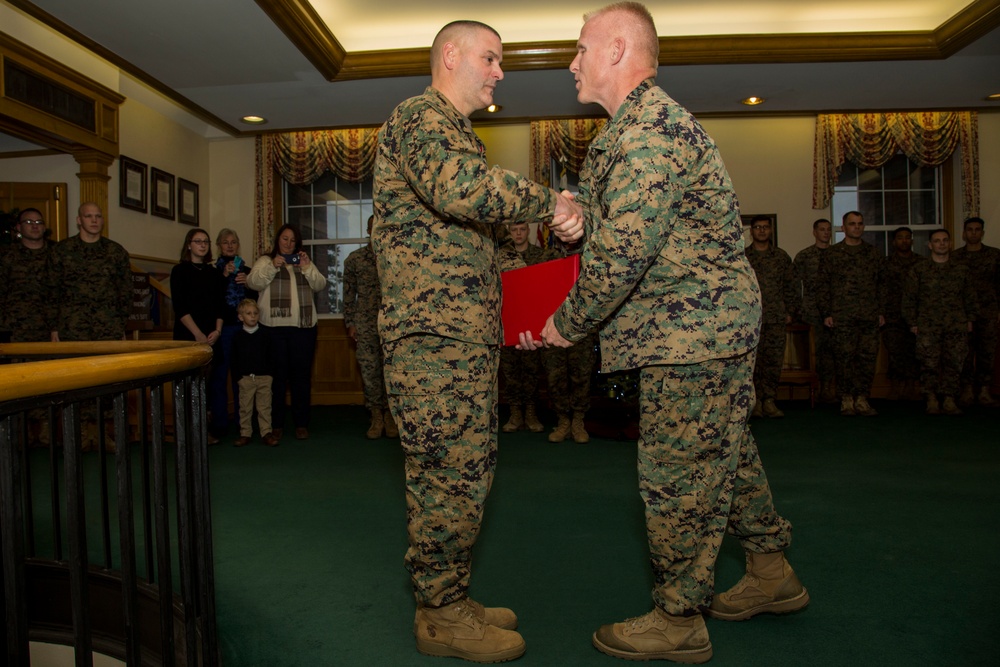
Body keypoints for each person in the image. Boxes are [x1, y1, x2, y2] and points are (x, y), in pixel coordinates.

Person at [521, 4, 806, 662]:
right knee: (723, 450)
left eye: (581, 48)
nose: (572, 62)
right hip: (692, 324)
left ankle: (680, 616)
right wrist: (573, 216)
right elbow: (605, 217)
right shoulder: (625, 133)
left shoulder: (648, 130)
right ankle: (770, 571)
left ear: (618, 50)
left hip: (693, 329)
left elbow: (622, 252)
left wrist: (565, 322)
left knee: (676, 472)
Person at [372, 18, 583, 663]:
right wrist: (549, 204)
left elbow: (473, 246)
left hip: (459, 338)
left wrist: (521, 305)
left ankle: (451, 595)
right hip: (430, 341)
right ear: (451, 55)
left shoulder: (454, 132)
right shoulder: (419, 117)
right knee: (446, 475)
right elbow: (462, 190)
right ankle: (438, 616)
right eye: (490, 59)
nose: (499, 73)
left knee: (468, 472)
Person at [246, 224, 327, 441]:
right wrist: (273, 266)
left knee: (301, 378)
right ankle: (277, 424)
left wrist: (307, 267)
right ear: (278, 241)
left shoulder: (303, 262)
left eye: (292, 240)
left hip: (303, 329)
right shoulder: (265, 260)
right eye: (285, 239)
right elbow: (252, 282)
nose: (288, 244)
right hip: (273, 330)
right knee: (277, 380)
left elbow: (320, 284)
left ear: (297, 243)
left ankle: (301, 424)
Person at [903, 229, 977, 415]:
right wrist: (912, 321)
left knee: (954, 362)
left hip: (956, 324)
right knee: (929, 363)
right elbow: (909, 298)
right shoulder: (919, 270)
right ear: (930, 245)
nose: (941, 244)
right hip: (928, 325)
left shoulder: (961, 270)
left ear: (950, 244)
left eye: (945, 240)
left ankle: (950, 398)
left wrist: (970, 319)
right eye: (937, 241)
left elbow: (970, 297)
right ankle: (931, 398)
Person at [817, 211, 884, 416]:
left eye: (860, 224)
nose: (857, 227)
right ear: (843, 228)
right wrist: (827, 312)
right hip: (842, 315)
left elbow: (882, 285)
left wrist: (881, 311)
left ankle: (862, 398)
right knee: (844, 358)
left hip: (868, 315)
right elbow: (822, 286)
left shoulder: (873, 254)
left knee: (867, 358)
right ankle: (846, 398)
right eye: (852, 224)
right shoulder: (832, 254)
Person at [343, 216, 397, 439]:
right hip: (365, 323)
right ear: (368, 230)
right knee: (369, 369)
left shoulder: (396, 256)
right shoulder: (354, 259)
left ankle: (391, 416)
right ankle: (376, 415)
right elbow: (348, 294)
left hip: (393, 322)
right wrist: (350, 322)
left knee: (392, 369)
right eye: (372, 227)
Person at [49, 202, 131, 341]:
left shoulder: (115, 251)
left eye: (98, 216)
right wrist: (53, 328)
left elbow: (125, 290)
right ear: (79, 220)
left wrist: (121, 325)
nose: (94, 220)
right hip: (72, 327)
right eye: (88, 216)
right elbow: (52, 289)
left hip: (108, 327)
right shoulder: (62, 250)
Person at [745, 215, 799, 418]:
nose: (761, 231)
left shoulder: (781, 257)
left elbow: (791, 286)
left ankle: (769, 400)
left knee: (773, 360)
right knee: (754, 362)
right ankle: (756, 401)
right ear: (752, 231)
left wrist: (790, 311)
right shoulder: (744, 257)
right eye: (758, 227)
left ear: (770, 230)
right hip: (751, 319)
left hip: (776, 316)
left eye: (765, 227)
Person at [500, 221, 548, 434]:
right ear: (509, 232)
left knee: (531, 368)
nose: (518, 234)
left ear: (528, 231)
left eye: (522, 229)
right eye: (514, 230)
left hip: (531, 321)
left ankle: (530, 412)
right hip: (508, 318)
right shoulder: (500, 254)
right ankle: (515, 412)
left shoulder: (540, 255)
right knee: (510, 370)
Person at [209, 228, 257, 439]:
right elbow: (211, 299)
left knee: (243, 379)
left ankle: (243, 424)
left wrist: (248, 282)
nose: (229, 245)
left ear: (238, 245)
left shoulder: (247, 270)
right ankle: (219, 425)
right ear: (219, 246)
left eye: (233, 242)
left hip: (245, 331)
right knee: (219, 378)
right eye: (225, 242)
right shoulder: (212, 272)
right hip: (222, 331)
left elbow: (255, 301)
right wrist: (224, 276)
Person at [951, 216, 999, 406]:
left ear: (982, 232)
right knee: (965, 352)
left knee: (987, 352)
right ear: (964, 233)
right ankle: (967, 389)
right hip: (962, 313)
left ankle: (985, 390)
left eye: (977, 229)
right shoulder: (955, 257)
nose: (973, 233)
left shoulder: (995, 255)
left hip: (987, 311)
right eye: (970, 229)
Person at [793, 219, 836, 402]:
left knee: (833, 351)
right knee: (814, 351)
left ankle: (829, 388)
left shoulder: (837, 255)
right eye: (822, 230)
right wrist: (797, 309)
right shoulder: (804, 256)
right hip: (811, 311)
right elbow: (795, 285)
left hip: (835, 310)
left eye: (828, 230)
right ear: (814, 232)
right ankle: (815, 388)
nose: (826, 233)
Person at [881, 227, 926, 400]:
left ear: (912, 241)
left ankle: (911, 386)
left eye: (908, 237)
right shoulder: (886, 263)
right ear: (894, 242)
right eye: (900, 238)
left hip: (916, 315)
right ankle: (896, 386)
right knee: (894, 351)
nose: (904, 241)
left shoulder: (921, 263)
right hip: (893, 314)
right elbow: (881, 288)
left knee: (915, 351)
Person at [0, 208, 54, 342]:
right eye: (29, 222)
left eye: (39, 222)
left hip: (50, 329)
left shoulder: (57, 254)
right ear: (19, 227)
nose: (35, 226)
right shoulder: (7, 256)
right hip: (15, 329)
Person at [231, 299, 279, 446]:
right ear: (240, 317)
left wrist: (270, 375)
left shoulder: (266, 335)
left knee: (264, 407)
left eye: (255, 313)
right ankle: (245, 433)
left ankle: (266, 432)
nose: (252, 316)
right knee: (245, 408)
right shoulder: (237, 337)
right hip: (245, 378)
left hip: (264, 377)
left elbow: (272, 356)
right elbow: (234, 360)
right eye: (248, 313)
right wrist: (238, 377)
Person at [170, 228, 225, 344]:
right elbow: (180, 307)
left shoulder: (214, 273)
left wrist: (218, 331)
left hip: (212, 334)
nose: (203, 245)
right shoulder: (179, 271)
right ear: (189, 245)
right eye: (198, 241)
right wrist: (198, 334)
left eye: (206, 242)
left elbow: (220, 305)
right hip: (187, 333)